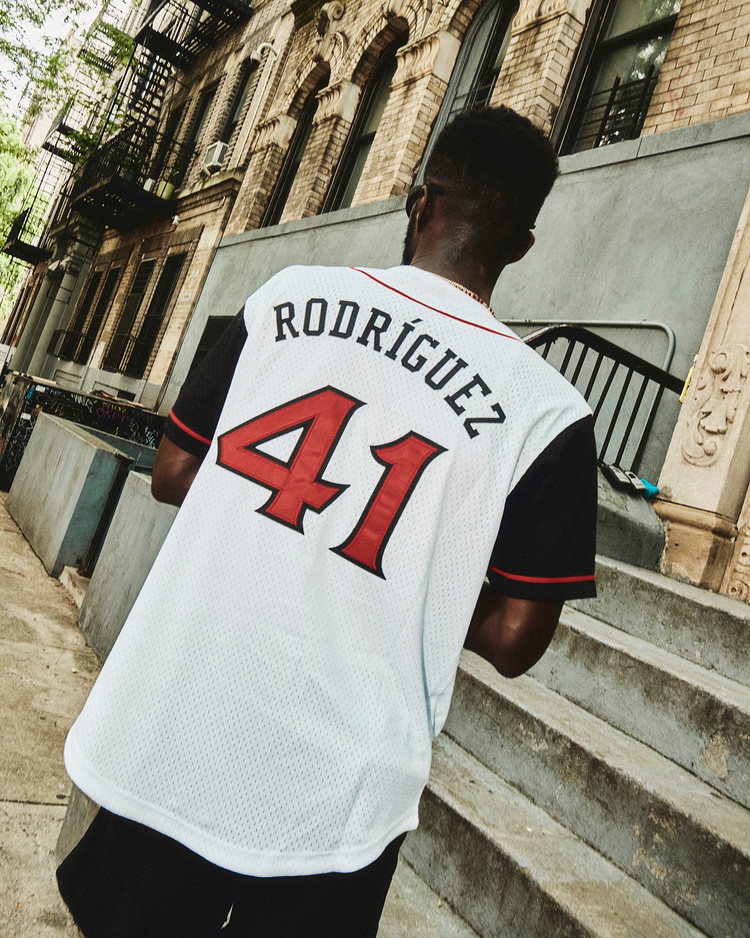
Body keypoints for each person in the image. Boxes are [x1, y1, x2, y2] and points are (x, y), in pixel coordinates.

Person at [57, 105, 597, 938]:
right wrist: (421, 569)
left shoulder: (286, 300)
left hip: (185, 719)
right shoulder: (549, 413)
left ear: (419, 202)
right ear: (523, 245)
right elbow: (518, 638)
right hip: (342, 793)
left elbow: (172, 472)